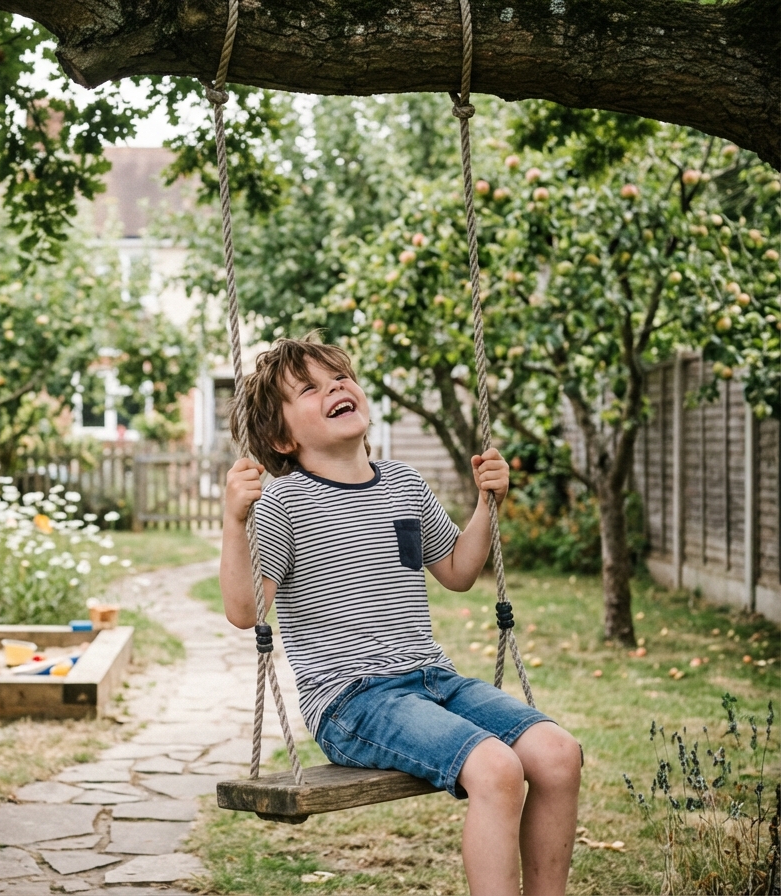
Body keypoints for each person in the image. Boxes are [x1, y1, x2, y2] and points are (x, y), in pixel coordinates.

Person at [220, 335, 581, 896]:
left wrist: (489, 506)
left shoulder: (405, 484)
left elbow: (459, 570)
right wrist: (233, 521)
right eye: (309, 389)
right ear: (280, 437)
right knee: (498, 770)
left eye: (339, 376)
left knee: (558, 755)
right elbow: (246, 612)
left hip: (435, 680)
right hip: (354, 701)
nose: (335, 387)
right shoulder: (281, 505)